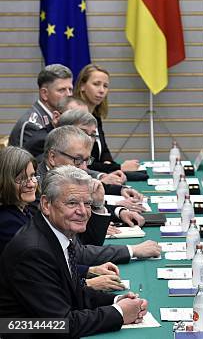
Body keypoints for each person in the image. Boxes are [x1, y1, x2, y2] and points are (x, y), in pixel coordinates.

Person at [0, 166, 150, 337]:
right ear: (46, 205)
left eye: (87, 203)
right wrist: (119, 313)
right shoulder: (33, 251)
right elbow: (60, 325)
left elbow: (72, 292)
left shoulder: (57, 232)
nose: (83, 211)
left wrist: (115, 301)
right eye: (72, 203)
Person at [0, 146, 160, 291]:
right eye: (22, 179)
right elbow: (40, 280)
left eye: (33, 176)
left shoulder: (22, 209)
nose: (31, 183)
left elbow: (59, 255)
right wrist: (87, 283)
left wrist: (87, 271)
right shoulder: (8, 222)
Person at [38, 126, 144, 245]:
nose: (84, 168)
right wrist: (131, 251)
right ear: (53, 157)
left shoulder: (67, 178)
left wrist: (106, 208)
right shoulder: (38, 188)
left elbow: (91, 241)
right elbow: (80, 248)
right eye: (77, 160)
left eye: (86, 160)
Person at [75, 64, 139, 173]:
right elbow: (84, 162)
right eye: (96, 84)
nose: (101, 90)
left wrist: (107, 161)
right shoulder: (76, 120)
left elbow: (104, 149)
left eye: (105, 86)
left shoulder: (95, 115)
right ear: (82, 86)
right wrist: (118, 168)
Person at [9, 64, 73, 147]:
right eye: (61, 90)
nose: (69, 95)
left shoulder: (59, 117)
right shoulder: (31, 125)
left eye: (70, 89)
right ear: (44, 94)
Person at [22, 95, 88, 159]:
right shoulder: (43, 142)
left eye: (86, 120)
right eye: (76, 118)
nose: (83, 126)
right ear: (56, 117)